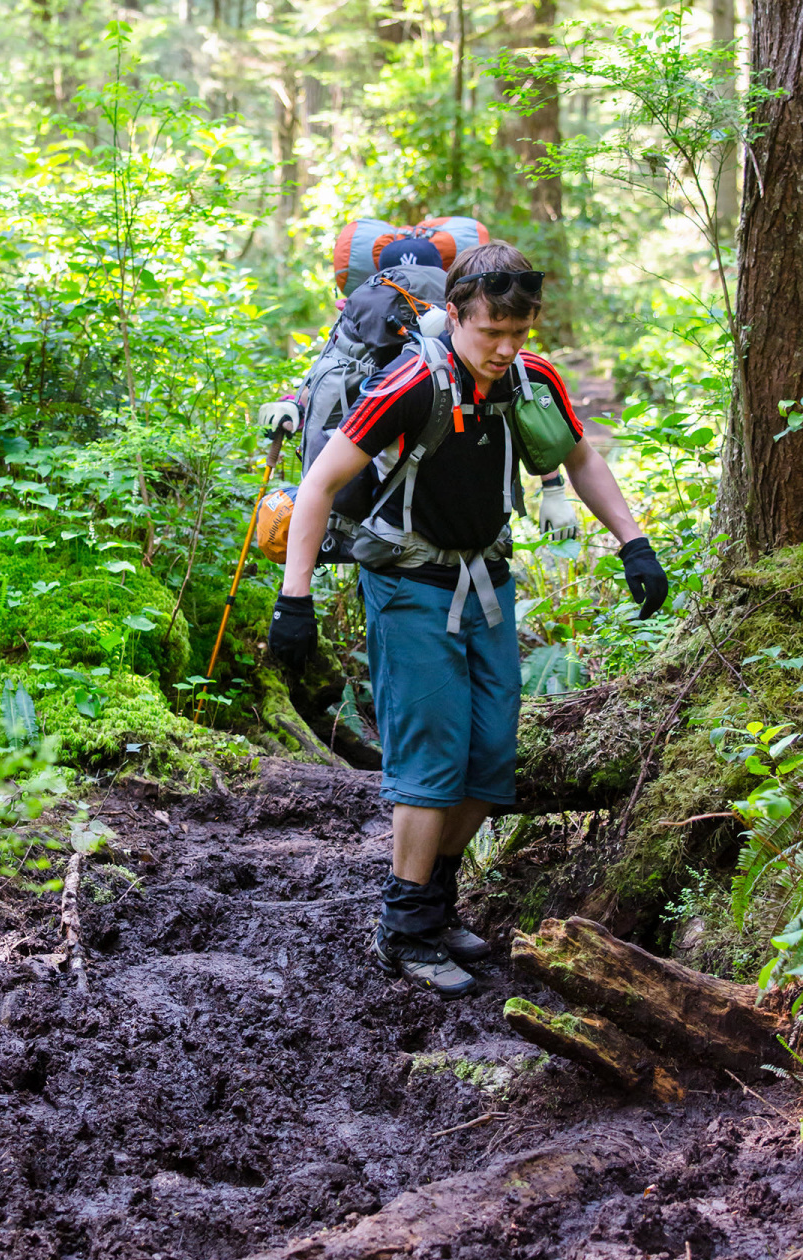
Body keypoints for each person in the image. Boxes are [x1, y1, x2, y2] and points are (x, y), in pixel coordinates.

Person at [267, 241, 668, 999]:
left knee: (489, 760)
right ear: (454, 316)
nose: (506, 349)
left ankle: (433, 903)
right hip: (407, 586)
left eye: (520, 333)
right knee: (429, 763)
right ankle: (405, 930)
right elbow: (319, 485)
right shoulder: (413, 381)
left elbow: (581, 460)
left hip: (485, 582)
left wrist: (634, 543)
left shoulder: (527, 377)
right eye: (492, 334)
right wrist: (296, 601)